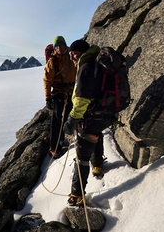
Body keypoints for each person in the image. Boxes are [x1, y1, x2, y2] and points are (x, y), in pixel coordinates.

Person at [63, 39, 113, 206]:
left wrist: (72, 119)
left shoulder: (86, 66)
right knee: (95, 136)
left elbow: (82, 99)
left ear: (82, 52)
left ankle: (77, 195)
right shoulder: (94, 63)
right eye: (70, 54)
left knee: (82, 154)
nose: (71, 57)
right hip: (104, 113)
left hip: (92, 115)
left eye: (74, 54)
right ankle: (97, 166)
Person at [43, 36, 76, 159]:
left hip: (71, 92)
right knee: (57, 119)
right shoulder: (53, 61)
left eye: (61, 45)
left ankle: (60, 139)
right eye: (57, 46)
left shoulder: (72, 57)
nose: (59, 48)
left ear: (65, 45)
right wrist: (48, 97)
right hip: (58, 93)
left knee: (68, 116)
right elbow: (47, 80)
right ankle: (53, 147)